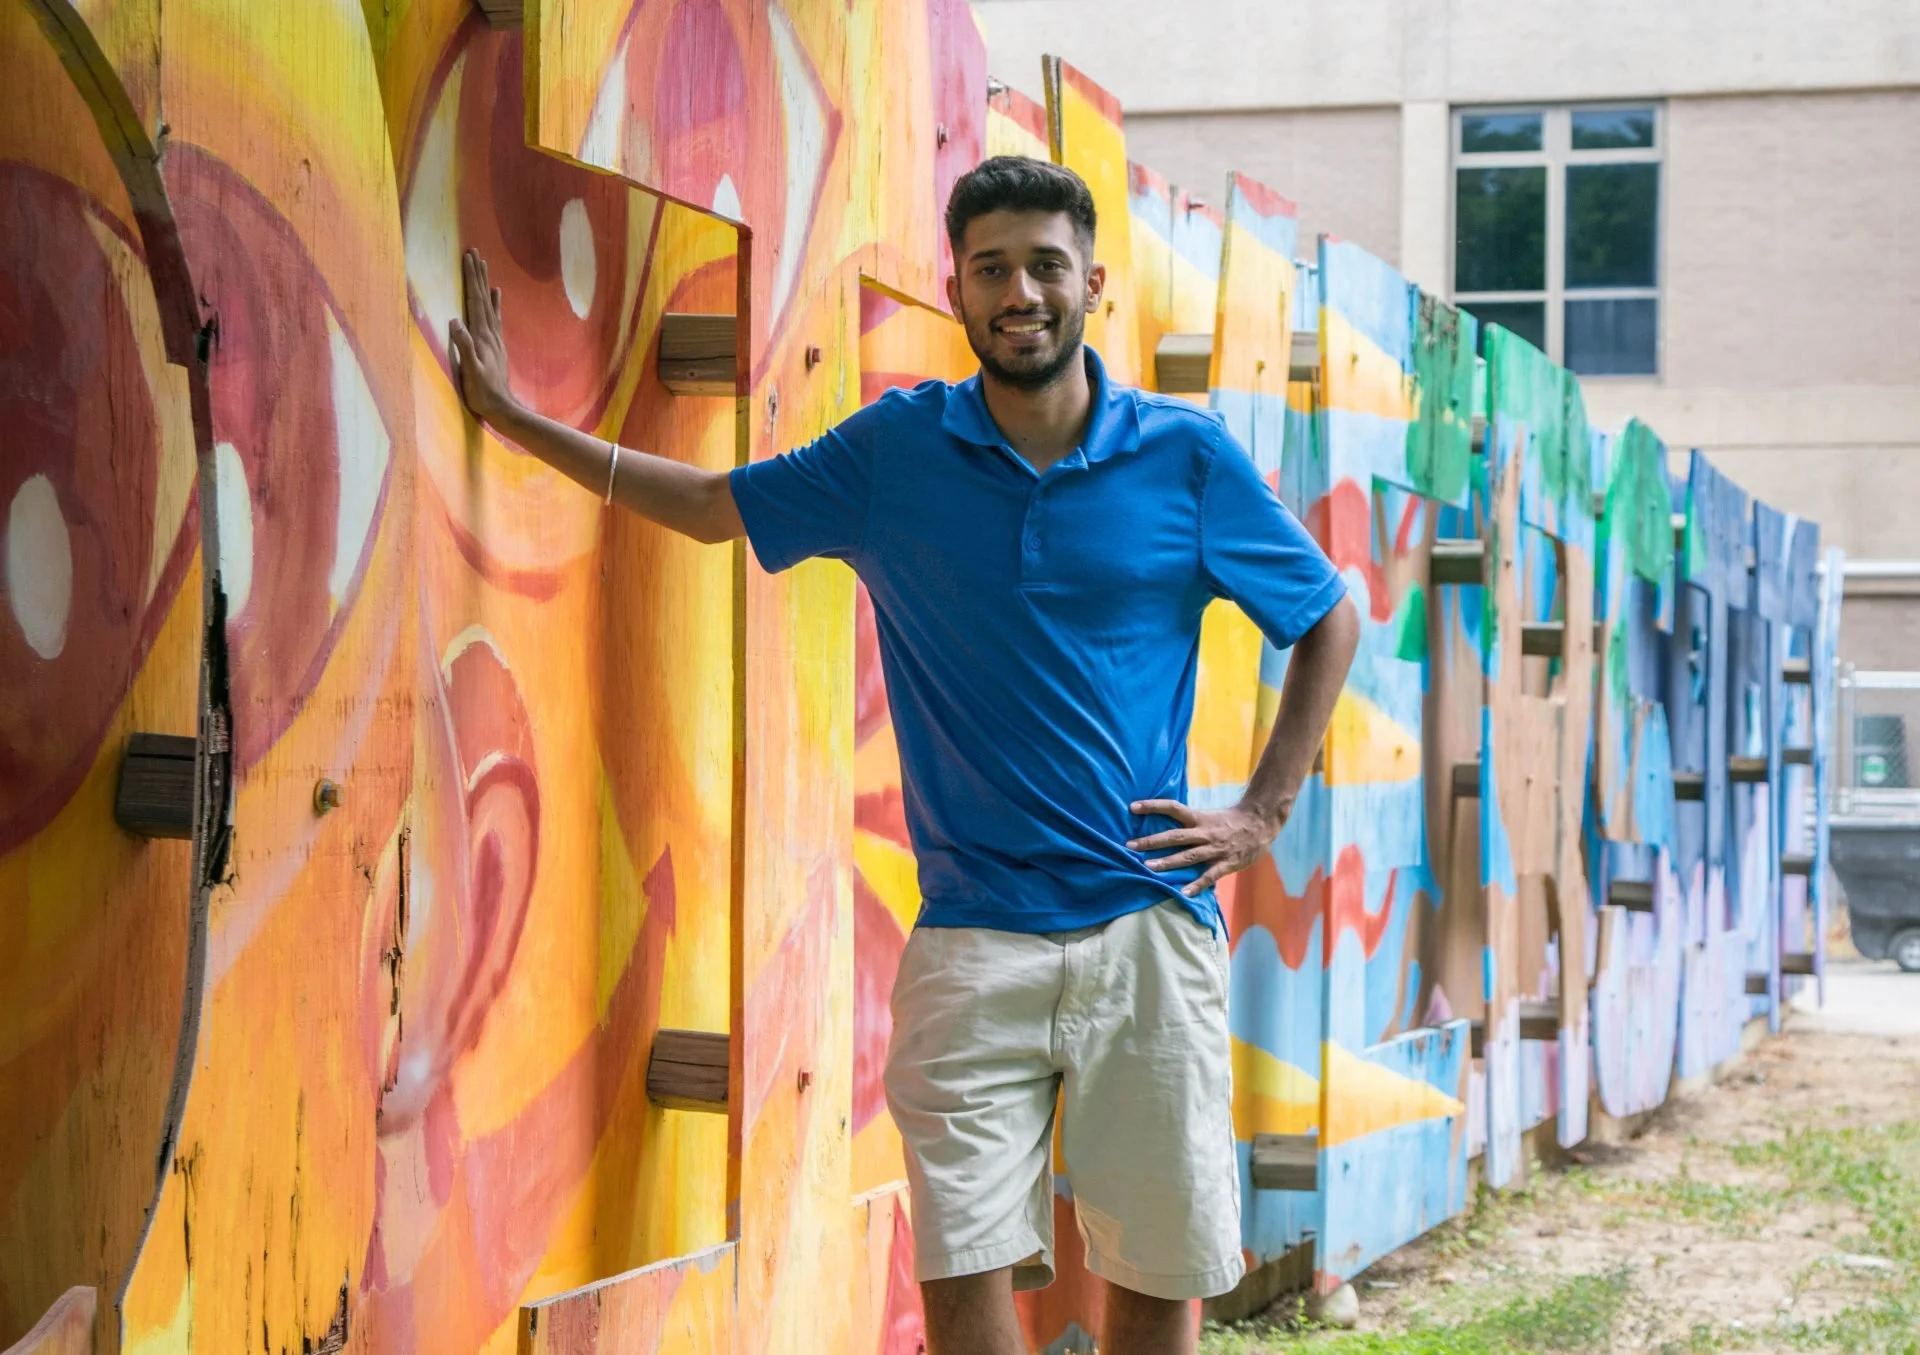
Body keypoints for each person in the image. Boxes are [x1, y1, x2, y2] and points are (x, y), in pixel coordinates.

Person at [449, 155, 1359, 1355]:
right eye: (992, 269)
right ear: (956, 287)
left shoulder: (1184, 459)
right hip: (972, 936)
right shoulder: (897, 453)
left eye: (1046, 265)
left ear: (1093, 282)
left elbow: (1327, 614)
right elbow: (716, 505)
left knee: (1156, 1285)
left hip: (1146, 926)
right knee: (963, 1276)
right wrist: (519, 422)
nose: (1020, 292)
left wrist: (1260, 814)